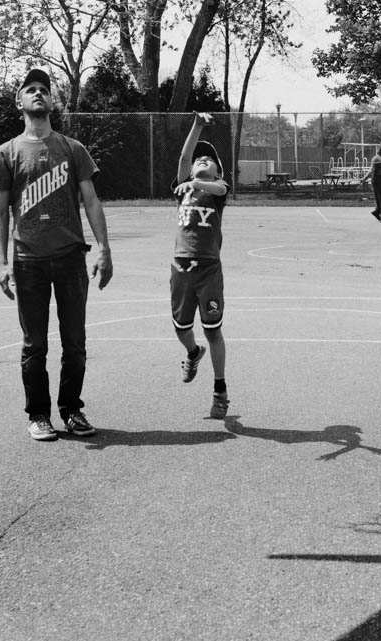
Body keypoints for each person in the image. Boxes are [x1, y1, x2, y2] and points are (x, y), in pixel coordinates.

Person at [0, 68, 113, 442]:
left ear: (51, 101)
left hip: (70, 258)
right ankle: (38, 414)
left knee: (75, 340)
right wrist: (1, 262)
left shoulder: (72, 149)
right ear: (20, 102)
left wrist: (105, 249)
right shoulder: (6, 153)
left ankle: (71, 410)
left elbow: (90, 201)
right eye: (31, 90)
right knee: (35, 344)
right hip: (28, 261)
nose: (39, 94)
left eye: (44, 89)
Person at [171, 112, 232, 420]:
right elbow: (185, 155)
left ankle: (220, 390)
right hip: (181, 267)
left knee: (213, 331)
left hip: (209, 269)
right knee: (181, 329)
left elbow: (220, 189)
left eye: (210, 159)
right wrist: (197, 125)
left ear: (218, 171)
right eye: (200, 159)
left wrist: (198, 181)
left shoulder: (218, 191)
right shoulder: (183, 187)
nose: (203, 158)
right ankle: (193, 354)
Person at [360, 145, 381, 222]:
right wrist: (364, 178)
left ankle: (377, 211)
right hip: (378, 179)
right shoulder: (376, 158)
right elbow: (371, 170)